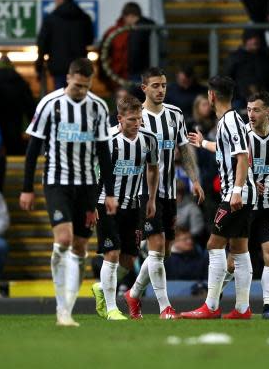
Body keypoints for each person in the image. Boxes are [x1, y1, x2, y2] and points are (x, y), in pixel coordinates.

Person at [189, 91, 269, 319]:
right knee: (231, 262)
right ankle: (214, 300)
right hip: (246, 205)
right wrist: (203, 143)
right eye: (248, 110)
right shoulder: (242, 133)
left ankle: (268, 306)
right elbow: (223, 149)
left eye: (256, 109)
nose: (251, 114)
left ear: (268, 111)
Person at [20, 58, 118, 327]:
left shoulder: (98, 107)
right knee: (63, 239)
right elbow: (33, 148)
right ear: (68, 78)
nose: (81, 91)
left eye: (85, 87)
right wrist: (26, 188)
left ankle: (67, 312)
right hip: (57, 181)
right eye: (77, 86)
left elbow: (103, 153)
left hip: (87, 185)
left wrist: (109, 192)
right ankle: (61, 307)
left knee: (80, 246)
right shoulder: (50, 104)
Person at [115, 67, 205, 320]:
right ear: (144, 88)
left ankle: (133, 294)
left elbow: (184, 150)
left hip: (169, 192)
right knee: (154, 249)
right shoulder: (135, 117)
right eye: (155, 85)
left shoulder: (175, 115)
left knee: (163, 253)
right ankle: (165, 307)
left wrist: (194, 179)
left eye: (164, 85)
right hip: (142, 192)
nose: (161, 90)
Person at [181, 75, 256, 320]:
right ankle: (243, 309)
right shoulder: (229, 121)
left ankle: (211, 307)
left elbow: (243, 157)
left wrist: (236, 191)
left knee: (214, 244)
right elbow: (229, 150)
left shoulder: (230, 121)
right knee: (239, 249)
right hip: (242, 192)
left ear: (212, 96)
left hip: (236, 194)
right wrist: (204, 144)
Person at [90, 95, 159, 321]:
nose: (136, 124)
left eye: (139, 119)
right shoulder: (107, 139)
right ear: (119, 118)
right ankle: (111, 309)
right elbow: (94, 173)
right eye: (131, 120)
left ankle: (101, 287)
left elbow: (152, 168)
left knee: (129, 260)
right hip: (106, 204)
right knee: (112, 253)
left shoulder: (148, 139)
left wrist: (151, 199)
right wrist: (92, 205)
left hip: (134, 204)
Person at [36, 0, 94, 90]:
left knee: (61, 97)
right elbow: (89, 40)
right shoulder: (84, 18)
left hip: (58, 66)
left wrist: (39, 65)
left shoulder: (51, 19)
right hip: (79, 66)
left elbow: (42, 43)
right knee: (80, 96)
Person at [0, 57, 36, 155]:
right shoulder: (19, 80)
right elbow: (28, 102)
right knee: (14, 142)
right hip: (15, 116)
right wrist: (32, 118)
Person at [224, 28, 269, 108]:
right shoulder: (235, 57)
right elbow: (227, 79)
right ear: (245, 41)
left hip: (263, 98)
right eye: (251, 38)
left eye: (257, 38)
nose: (255, 41)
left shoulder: (265, 58)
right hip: (239, 98)